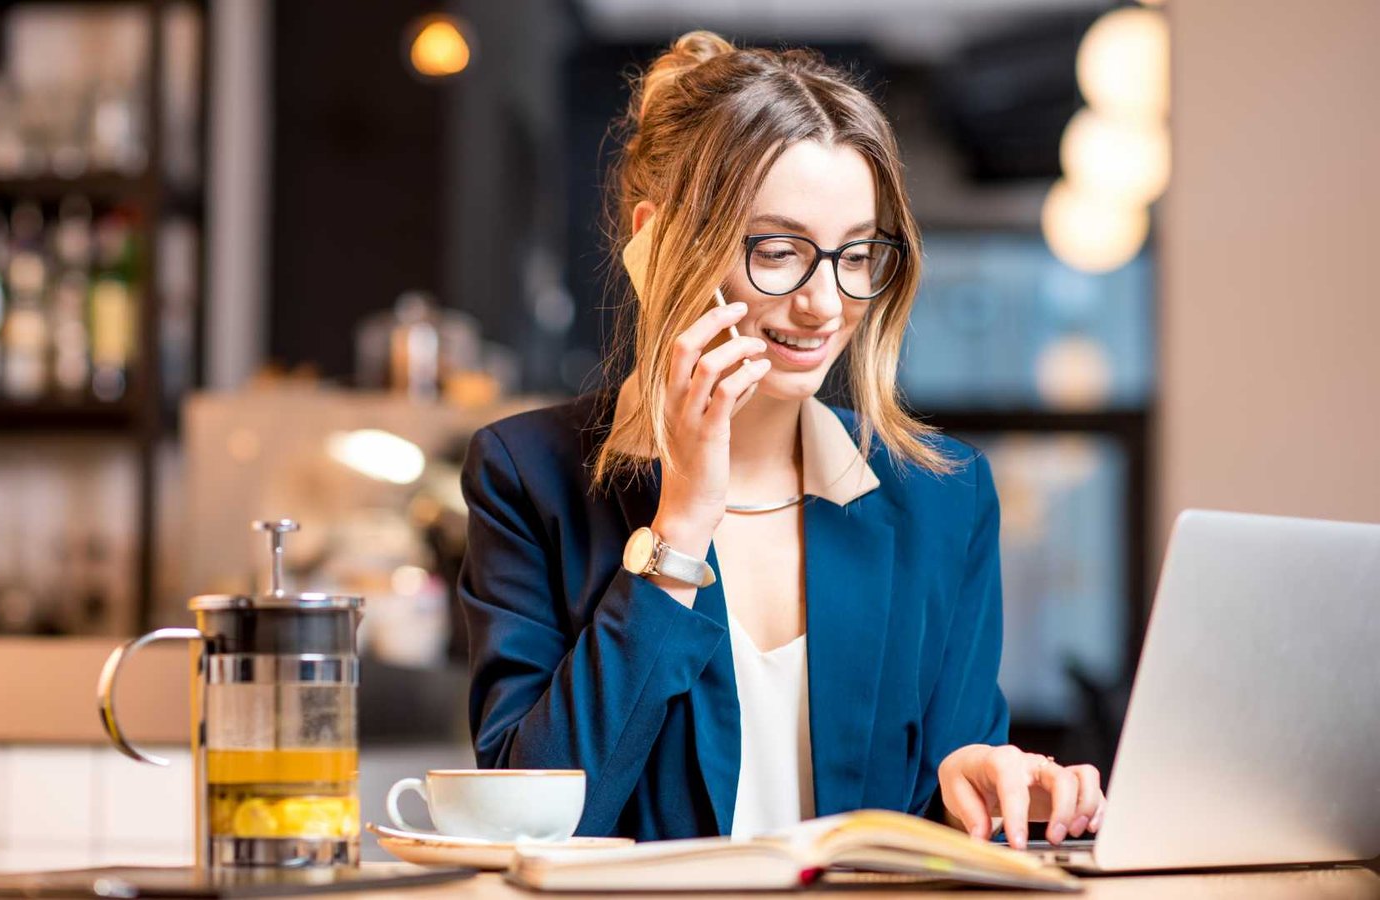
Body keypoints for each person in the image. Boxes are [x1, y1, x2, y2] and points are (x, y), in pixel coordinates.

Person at [457, 30, 1104, 848]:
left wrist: (972, 790)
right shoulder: (530, 478)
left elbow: (936, 818)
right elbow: (530, 823)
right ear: (656, 246)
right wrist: (682, 526)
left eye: (855, 255)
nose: (825, 304)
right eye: (778, 251)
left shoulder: (941, 500)